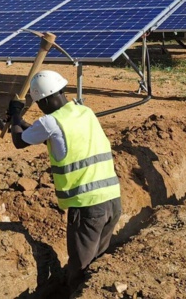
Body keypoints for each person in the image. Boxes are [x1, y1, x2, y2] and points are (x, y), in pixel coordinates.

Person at [8, 70, 122, 289]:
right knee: (96, 263)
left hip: (88, 208)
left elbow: (19, 142)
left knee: (79, 268)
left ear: (49, 98)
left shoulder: (51, 122)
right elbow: (50, 136)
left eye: (40, 103)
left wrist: (14, 116)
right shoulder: (85, 112)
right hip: (112, 200)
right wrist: (21, 120)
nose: (40, 108)